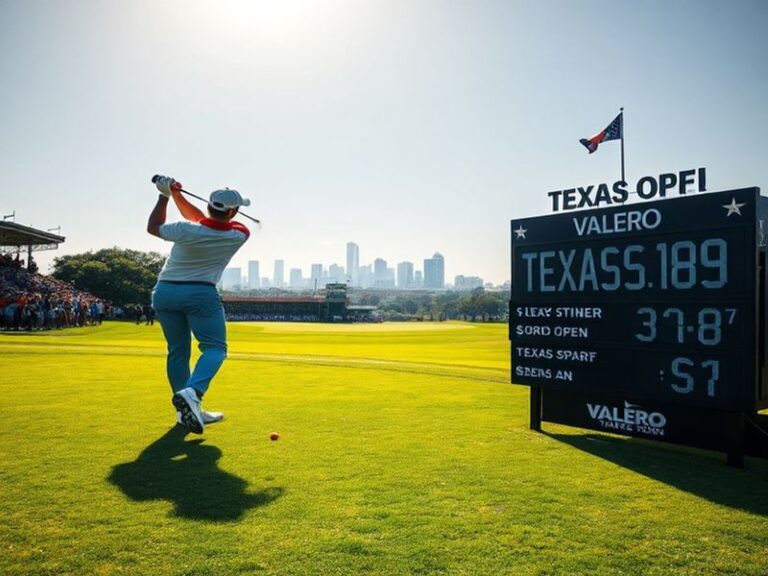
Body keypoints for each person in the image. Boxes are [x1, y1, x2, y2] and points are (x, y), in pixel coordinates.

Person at [147, 175, 251, 433]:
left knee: (178, 352)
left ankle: (186, 414)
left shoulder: (185, 229)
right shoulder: (239, 233)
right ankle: (193, 394)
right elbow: (206, 222)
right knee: (216, 349)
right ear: (234, 211)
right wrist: (176, 195)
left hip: (165, 292)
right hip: (200, 294)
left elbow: (154, 227)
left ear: (209, 205)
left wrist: (166, 196)